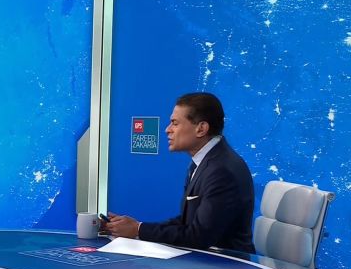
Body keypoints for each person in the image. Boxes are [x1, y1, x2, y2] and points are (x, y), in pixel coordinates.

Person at [104, 92, 256, 253]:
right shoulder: (202, 163)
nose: (167, 130)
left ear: (201, 129)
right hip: (206, 259)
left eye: (175, 123)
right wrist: (135, 227)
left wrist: (138, 229)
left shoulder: (221, 171)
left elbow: (199, 236)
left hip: (227, 263)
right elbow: (186, 222)